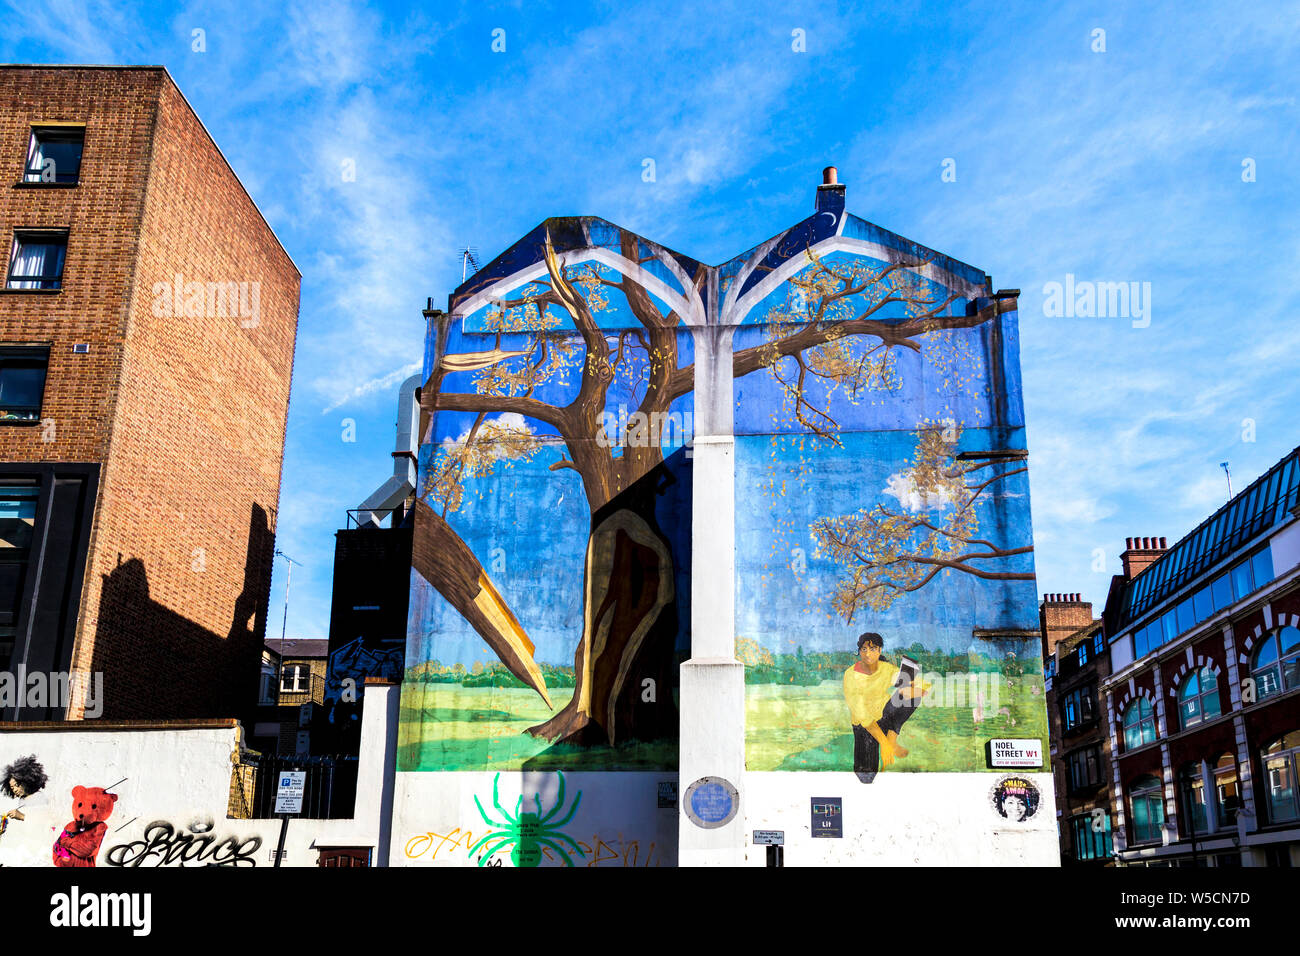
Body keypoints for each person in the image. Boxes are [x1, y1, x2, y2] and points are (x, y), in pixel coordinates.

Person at [842, 633, 927, 783]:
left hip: (885, 716)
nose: (868, 653)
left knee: (911, 694)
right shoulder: (851, 675)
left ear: (880, 650)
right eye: (863, 649)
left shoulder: (886, 669)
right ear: (859, 651)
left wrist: (910, 689)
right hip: (864, 726)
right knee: (866, 776)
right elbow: (865, 719)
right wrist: (884, 744)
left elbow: (921, 684)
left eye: (873, 648)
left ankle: (892, 736)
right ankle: (887, 741)